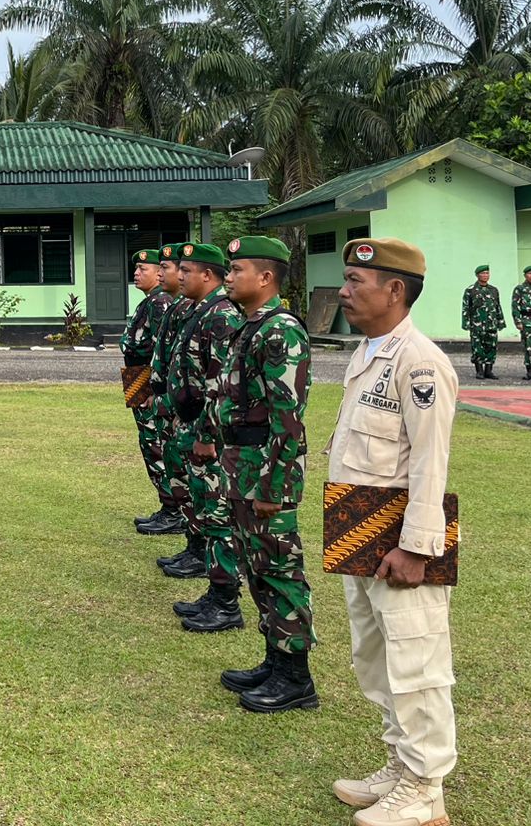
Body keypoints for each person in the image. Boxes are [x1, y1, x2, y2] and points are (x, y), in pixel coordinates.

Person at [328, 237, 459, 826]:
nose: (343, 291)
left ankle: (426, 788)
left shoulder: (420, 362)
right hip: (358, 526)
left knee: (416, 661)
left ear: (395, 290)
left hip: (401, 540)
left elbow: (431, 462)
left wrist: (416, 548)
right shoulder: (367, 352)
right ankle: (401, 764)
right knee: (376, 657)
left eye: (356, 281)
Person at [212, 235, 317, 714]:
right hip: (243, 465)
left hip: (267, 472)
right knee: (256, 567)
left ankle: (296, 676)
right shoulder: (251, 326)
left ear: (266, 277)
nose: (229, 277)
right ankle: (275, 660)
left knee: (278, 569)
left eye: (237, 270)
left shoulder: (281, 331)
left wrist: (274, 485)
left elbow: (287, 416)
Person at [169, 242, 247, 634]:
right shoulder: (201, 310)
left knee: (218, 516)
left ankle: (226, 601)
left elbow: (220, 384)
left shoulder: (221, 315)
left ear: (206, 275)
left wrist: (207, 434)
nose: (179, 275)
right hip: (195, 426)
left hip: (210, 433)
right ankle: (216, 592)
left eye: (186, 270)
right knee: (205, 509)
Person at [121, 247, 177, 535]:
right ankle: (168, 506)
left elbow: (161, 349)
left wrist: (157, 387)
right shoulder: (149, 301)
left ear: (158, 273)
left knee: (155, 442)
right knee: (147, 440)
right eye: (136, 269)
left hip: (147, 377)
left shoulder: (160, 302)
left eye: (143, 269)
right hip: (136, 376)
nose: (136, 273)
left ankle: (173, 509)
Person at [145, 244, 195, 552]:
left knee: (166, 453)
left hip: (170, 397)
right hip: (157, 388)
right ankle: (173, 512)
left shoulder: (174, 305)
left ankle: (175, 514)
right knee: (159, 448)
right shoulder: (175, 305)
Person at [459, 264, 503, 380]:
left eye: (487, 273)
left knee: (491, 347)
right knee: (477, 348)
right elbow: (466, 308)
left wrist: (500, 321)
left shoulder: (493, 290)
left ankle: (489, 371)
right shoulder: (470, 290)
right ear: (477, 275)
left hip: (491, 324)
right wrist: (466, 322)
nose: (485, 275)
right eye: (482, 273)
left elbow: (497, 306)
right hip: (477, 324)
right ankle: (479, 371)